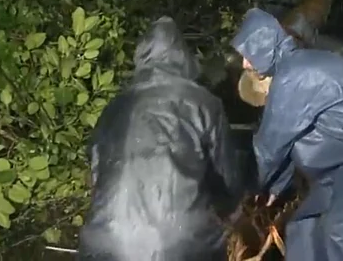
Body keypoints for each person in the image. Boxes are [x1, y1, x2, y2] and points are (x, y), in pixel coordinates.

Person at [78, 17, 250, 261]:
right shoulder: (204, 103)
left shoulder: (114, 108)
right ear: (184, 58)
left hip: (106, 242)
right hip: (182, 243)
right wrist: (232, 213)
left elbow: (96, 175)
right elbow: (226, 178)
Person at [230, 8, 343, 261]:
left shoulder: (293, 76)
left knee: (341, 235)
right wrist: (276, 188)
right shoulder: (295, 68)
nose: (245, 64)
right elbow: (290, 145)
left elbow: (269, 148)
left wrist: (246, 192)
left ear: (266, 46)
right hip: (339, 169)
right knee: (302, 227)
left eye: (248, 55)